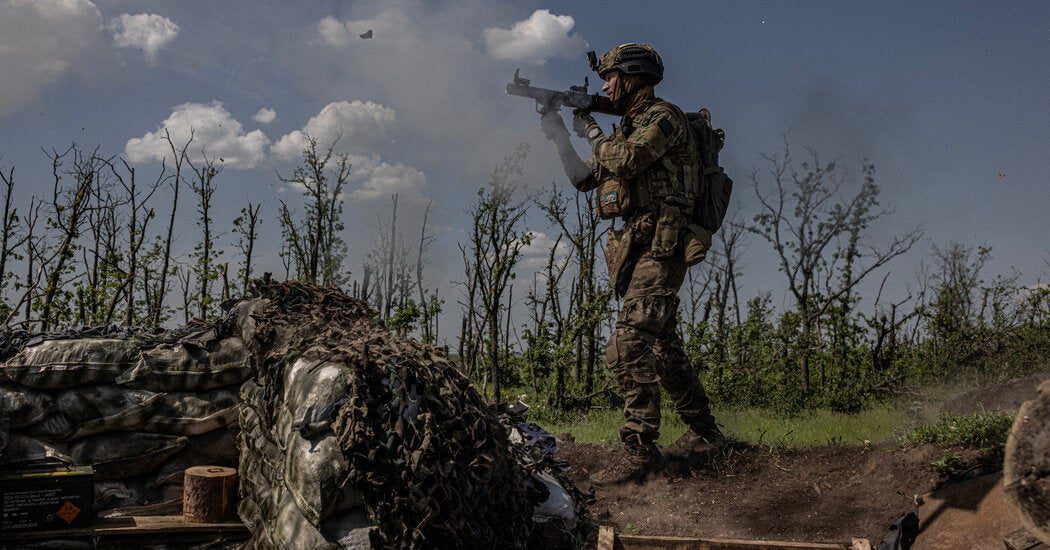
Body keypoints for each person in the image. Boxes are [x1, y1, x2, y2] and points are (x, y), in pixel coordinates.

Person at [539, 43, 722, 485]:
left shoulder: (664, 118)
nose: (604, 86)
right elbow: (584, 179)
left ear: (633, 78)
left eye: (610, 77)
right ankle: (708, 435)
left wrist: (590, 129)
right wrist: (559, 130)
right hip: (637, 250)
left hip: (665, 246)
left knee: (626, 342)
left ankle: (639, 446)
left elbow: (627, 159)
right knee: (663, 349)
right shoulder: (623, 130)